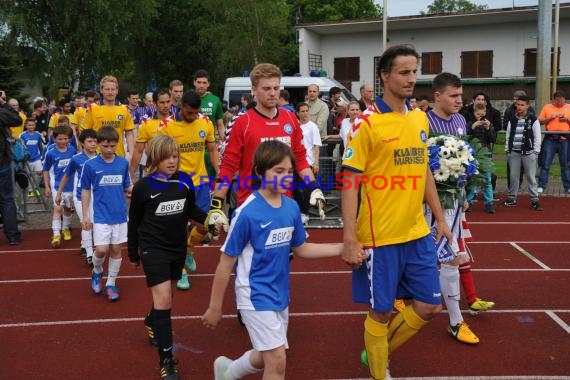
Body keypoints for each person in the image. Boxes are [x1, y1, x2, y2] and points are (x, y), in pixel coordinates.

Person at [341, 45, 452, 380]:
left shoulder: (419, 117)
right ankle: (378, 369)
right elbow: (348, 182)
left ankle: (376, 352)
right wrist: (348, 239)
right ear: (384, 76)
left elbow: (424, 171)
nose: (411, 79)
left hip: (417, 231)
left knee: (430, 305)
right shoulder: (366, 124)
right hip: (380, 236)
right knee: (381, 312)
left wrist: (441, 218)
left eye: (414, 72)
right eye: (404, 72)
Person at [202, 140, 353, 380]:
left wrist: (341, 248)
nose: (286, 177)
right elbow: (225, 263)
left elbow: (301, 248)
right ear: (261, 173)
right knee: (277, 361)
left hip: (280, 293)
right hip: (254, 295)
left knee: (266, 355)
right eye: (278, 171)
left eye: (290, 171)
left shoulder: (291, 208)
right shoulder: (247, 213)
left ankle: (228, 372)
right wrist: (215, 306)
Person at [128, 135, 209, 380]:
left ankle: (151, 320)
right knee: (165, 302)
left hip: (177, 249)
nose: (172, 161)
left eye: (175, 156)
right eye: (166, 157)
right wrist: (133, 253)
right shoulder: (143, 187)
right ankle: (167, 363)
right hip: (153, 250)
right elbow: (134, 222)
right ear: (155, 158)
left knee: (167, 297)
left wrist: (210, 219)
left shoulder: (184, 182)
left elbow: (191, 209)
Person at [211, 63, 325, 222]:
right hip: (251, 207)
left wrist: (314, 188)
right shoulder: (243, 122)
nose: (273, 93)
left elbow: (299, 159)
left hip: (284, 205)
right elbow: (228, 166)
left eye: (276, 88)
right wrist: (216, 205)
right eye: (266, 89)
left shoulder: (291, 119)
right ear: (254, 89)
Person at [426, 76, 495, 319]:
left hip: (454, 202)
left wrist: (464, 192)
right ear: (437, 95)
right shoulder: (422, 121)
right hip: (427, 203)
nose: (459, 100)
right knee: (425, 252)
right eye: (453, 96)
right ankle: (407, 296)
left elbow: (466, 159)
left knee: (455, 252)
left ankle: (462, 309)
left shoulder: (459, 120)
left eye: (460, 95)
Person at [157, 90, 219, 291]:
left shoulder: (205, 122)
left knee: (203, 226)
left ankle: (188, 249)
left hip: (200, 183)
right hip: (177, 184)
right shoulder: (166, 126)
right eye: (190, 113)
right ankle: (181, 270)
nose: (193, 117)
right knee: (177, 228)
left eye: (196, 113)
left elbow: (211, 149)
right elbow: (160, 156)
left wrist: (219, 173)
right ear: (180, 106)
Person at [81, 126, 132, 301]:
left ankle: (111, 283)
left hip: (119, 215)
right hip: (101, 216)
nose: (109, 150)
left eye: (112, 146)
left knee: (117, 249)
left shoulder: (123, 163)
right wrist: (86, 215)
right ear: (98, 145)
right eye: (105, 146)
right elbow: (85, 190)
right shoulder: (90, 165)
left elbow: (127, 186)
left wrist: (131, 191)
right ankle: (97, 271)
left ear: (117, 145)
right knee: (101, 250)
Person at [55, 129, 98, 265]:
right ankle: (90, 254)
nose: (93, 144)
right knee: (86, 223)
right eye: (89, 141)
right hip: (80, 196)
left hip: (97, 197)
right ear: (82, 143)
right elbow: (66, 175)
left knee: (96, 224)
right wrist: (59, 193)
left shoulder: (101, 157)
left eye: (95, 141)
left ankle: (84, 244)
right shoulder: (76, 159)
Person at [504, 95, 543, 210]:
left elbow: (537, 136)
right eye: (518, 105)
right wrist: (508, 149)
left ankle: (535, 200)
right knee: (513, 177)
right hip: (514, 152)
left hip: (529, 153)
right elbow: (508, 135)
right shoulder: (512, 120)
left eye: (522, 105)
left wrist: (536, 152)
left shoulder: (533, 120)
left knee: (531, 177)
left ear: (527, 106)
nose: (519, 107)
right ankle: (511, 198)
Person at [82, 75, 135, 159]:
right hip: (97, 156)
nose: (110, 92)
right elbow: (86, 133)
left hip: (118, 156)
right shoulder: (92, 109)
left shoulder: (124, 109)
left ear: (117, 91)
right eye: (107, 89)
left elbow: (129, 134)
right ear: (101, 90)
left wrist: (132, 154)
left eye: (113, 89)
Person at [42, 124, 77, 247]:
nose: (63, 141)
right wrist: (47, 186)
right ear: (54, 138)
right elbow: (45, 170)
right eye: (60, 139)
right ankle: (56, 234)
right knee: (57, 208)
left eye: (66, 139)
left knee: (67, 209)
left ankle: (65, 228)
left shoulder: (73, 150)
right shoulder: (50, 153)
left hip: (71, 185)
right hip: (57, 185)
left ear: (70, 139)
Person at [129, 89, 173, 182]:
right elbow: (138, 151)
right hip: (154, 173)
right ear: (154, 103)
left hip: (176, 174)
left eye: (168, 102)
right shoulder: (146, 124)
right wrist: (132, 175)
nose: (166, 105)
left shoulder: (178, 121)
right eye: (162, 102)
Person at [0, 90, 23, 245]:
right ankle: (13, 236)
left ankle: (13, 235)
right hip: (1, 162)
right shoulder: (1, 111)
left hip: (2, 162)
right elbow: (17, 119)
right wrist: (3, 103)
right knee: (6, 199)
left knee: (7, 199)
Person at [465, 103, 496, 214]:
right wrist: (473, 127)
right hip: (472, 155)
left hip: (485, 155)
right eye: (478, 114)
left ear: (485, 114)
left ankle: (489, 203)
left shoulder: (489, 125)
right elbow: (466, 138)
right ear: (474, 113)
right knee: (471, 180)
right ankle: (468, 202)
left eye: (482, 114)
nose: (480, 117)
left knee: (487, 180)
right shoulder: (469, 124)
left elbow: (493, 139)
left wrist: (488, 128)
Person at [537, 90, 570, 194]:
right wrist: (550, 118)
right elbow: (539, 121)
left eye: (561, 100)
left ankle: (567, 187)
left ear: (565, 99)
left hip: (565, 138)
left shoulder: (569, 107)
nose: (559, 102)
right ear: (554, 100)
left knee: (565, 164)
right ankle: (541, 185)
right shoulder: (547, 107)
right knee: (545, 163)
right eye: (557, 100)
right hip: (550, 138)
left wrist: (567, 120)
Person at [295, 102, 322, 224]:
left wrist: (316, 163)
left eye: (307, 111)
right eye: (303, 111)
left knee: (306, 189)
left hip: (308, 163)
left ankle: (305, 213)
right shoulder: (294, 125)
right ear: (297, 113)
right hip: (294, 163)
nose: (305, 113)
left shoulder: (313, 126)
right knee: (296, 189)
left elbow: (316, 146)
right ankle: (299, 212)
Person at [19, 118, 44, 197]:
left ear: (35, 126)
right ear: (26, 126)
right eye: (29, 125)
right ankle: (30, 190)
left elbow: (41, 146)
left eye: (33, 125)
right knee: (28, 175)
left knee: (40, 172)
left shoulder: (38, 135)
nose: (31, 126)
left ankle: (36, 188)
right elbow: (20, 147)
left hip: (36, 158)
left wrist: (42, 156)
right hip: (27, 160)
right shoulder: (22, 135)